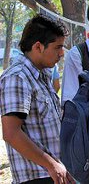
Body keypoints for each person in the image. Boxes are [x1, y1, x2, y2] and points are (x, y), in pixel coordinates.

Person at [0, 15, 74, 184]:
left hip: (55, 173)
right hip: (37, 177)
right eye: (58, 47)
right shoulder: (18, 77)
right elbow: (11, 133)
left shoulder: (42, 76)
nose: (62, 53)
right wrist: (50, 164)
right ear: (38, 47)